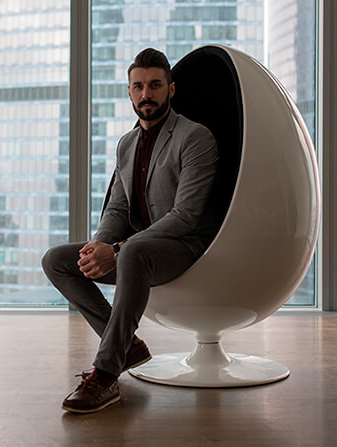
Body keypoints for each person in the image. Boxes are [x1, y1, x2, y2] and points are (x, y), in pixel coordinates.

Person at [41, 48, 219, 414]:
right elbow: (118, 208)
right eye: (138, 87)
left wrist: (118, 250)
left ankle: (105, 375)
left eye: (155, 85)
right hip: (136, 250)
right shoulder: (126, 143)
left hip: (184, 247)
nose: (145, 94)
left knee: (133, 252)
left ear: (171, 89)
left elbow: (185, 216)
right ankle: (128, 347)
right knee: (57, 260)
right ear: (129, 92)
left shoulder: (194, 137)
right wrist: (98, 245)